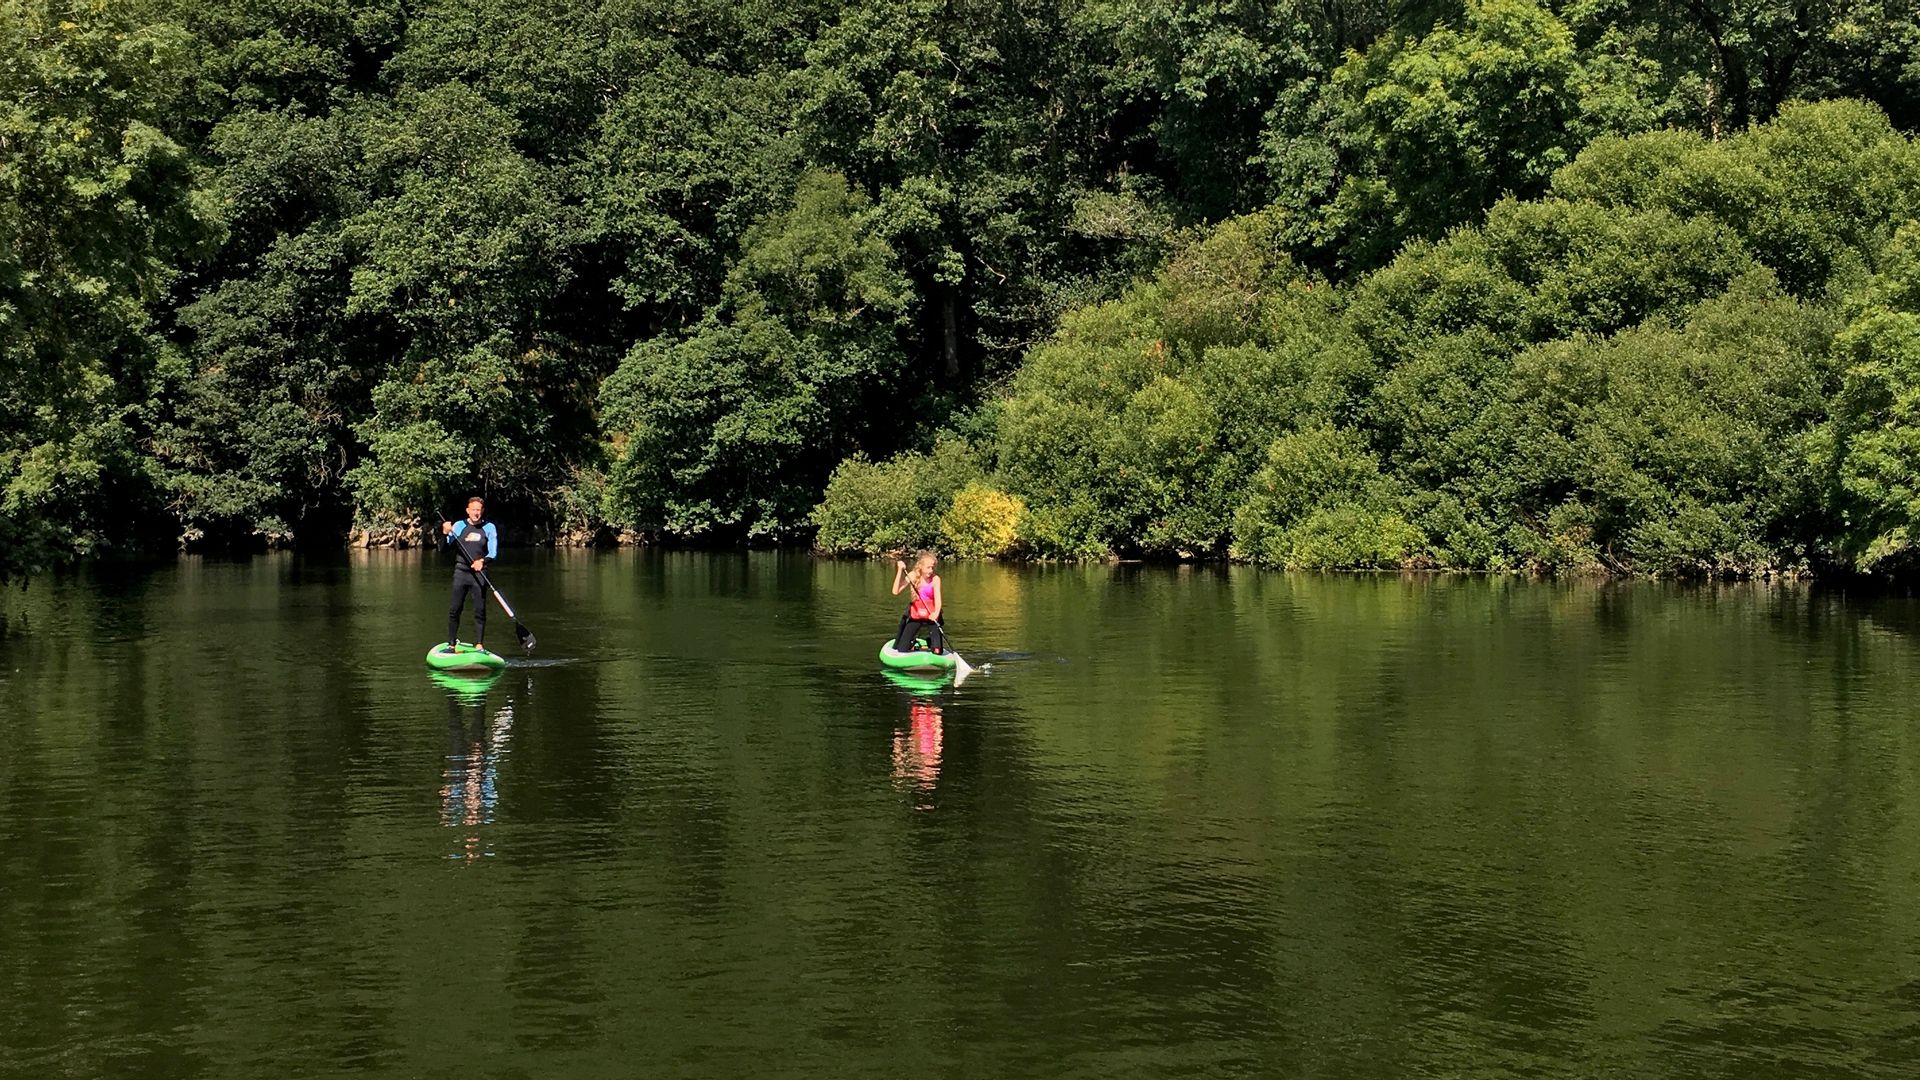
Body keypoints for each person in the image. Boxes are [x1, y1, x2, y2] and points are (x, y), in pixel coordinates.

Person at [440, 496, 498, 651]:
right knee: (455, 609)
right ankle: (451, 643)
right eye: (473, 510)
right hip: (461, 572)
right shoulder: (459, 526)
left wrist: (482, 561)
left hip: (479, 573)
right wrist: (445, 534)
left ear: (482, 511)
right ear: (468, 510)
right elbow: (443, 549)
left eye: (479, 510)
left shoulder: (489, 528)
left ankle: (479, 644)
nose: (476, 513)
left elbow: (493, 552)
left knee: (480, 610)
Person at [890, 550, 944, 654]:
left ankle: (930, 642)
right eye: (928, 567)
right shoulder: (913, 575)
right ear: (921, 566)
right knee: (902, 649)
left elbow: (938, 600)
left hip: (932, 615)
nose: (930, 570)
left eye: (932, 567)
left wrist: (936, 613)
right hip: (916, 615)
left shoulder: (936, 579)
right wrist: (899, 571)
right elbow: (895, 591)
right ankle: (912, 643)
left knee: (937, 651)